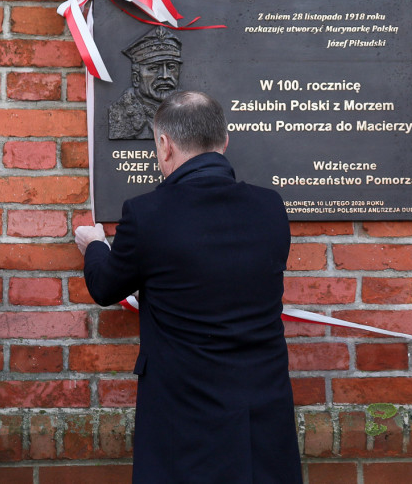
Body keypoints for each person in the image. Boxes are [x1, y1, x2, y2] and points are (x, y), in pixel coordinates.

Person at [75, 91, 301, 483]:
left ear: (165, 145)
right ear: (224, 141)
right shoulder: (270, 207)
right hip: (261, 410)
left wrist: (95, 246)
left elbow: (106, 287)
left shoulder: (147, 214)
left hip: (184, 416)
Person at [107, 26, 183, 140]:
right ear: (136, 78)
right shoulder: (121, 115)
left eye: (171, 67)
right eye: (154, 68)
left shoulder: (192, 111)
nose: (165, 76)